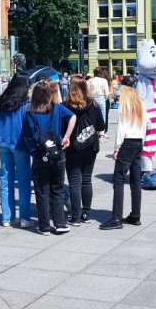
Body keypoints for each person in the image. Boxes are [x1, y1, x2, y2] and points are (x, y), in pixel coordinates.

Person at [22, 79, 76, 236]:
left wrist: (33, 150)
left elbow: (26, 136)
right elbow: (73, 118)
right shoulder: (57, 108)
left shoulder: (29, 112)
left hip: (39, 156)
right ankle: (60, 223)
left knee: (41, 190)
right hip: (57, 153)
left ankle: (44, 226)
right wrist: (66, 136)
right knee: (57, 189)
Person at [100, 76, 148, 230]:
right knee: (135, 180)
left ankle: (116, 218)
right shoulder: (140, 102)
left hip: (127, 143)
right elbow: (146, 123)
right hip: (138, 141)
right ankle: (136, 214)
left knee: (119, 179)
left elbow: (122, 127)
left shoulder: (124, 103)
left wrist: (116, 147)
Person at [0, 75, 32, 228]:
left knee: (5, 179)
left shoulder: (1, 101)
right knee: (24, 181)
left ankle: (7, 217)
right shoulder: (25, 104)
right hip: (20, 144)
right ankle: (25, 217)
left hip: (3, 143)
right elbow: (29, 124)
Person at [62, 74, 105, 226]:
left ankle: (75, 216)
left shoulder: (65, 105)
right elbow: (101, 126)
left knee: (74, 181)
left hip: (72, 147)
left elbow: (61, 128)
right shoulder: (93, 104)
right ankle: (86, 213)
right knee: (86, 180)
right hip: (90, 146)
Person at [87, 68, 110, 137]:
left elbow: (87, 91)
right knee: (103, 115)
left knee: (92, 115)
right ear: (100, 73)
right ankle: (102, 132)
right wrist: (105, 99)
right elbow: (107, 92)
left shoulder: (89, 80)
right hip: (101, 97)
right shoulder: (103, 80)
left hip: (92, 98)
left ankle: (93, 131)